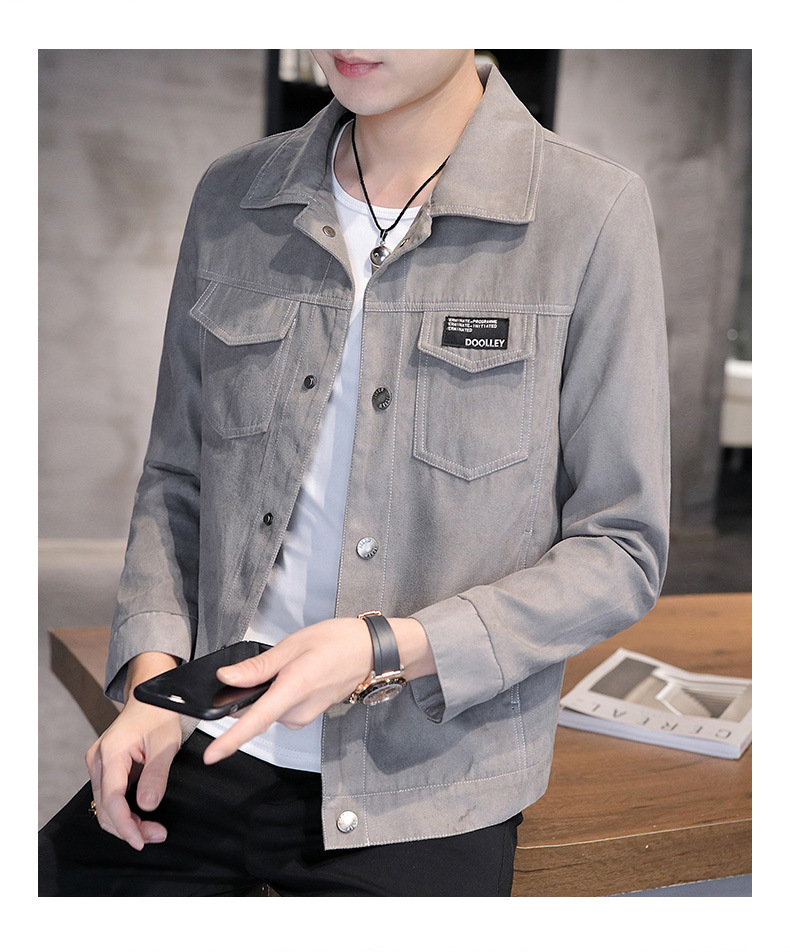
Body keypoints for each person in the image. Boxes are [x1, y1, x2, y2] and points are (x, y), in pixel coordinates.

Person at [39, 49, 670, 897]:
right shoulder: (233, 195)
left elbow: (621, 548)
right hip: (209, 742)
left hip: (427, 783)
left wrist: (383, 647)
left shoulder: (589, 210)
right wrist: (154, 687)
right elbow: (178, 475)